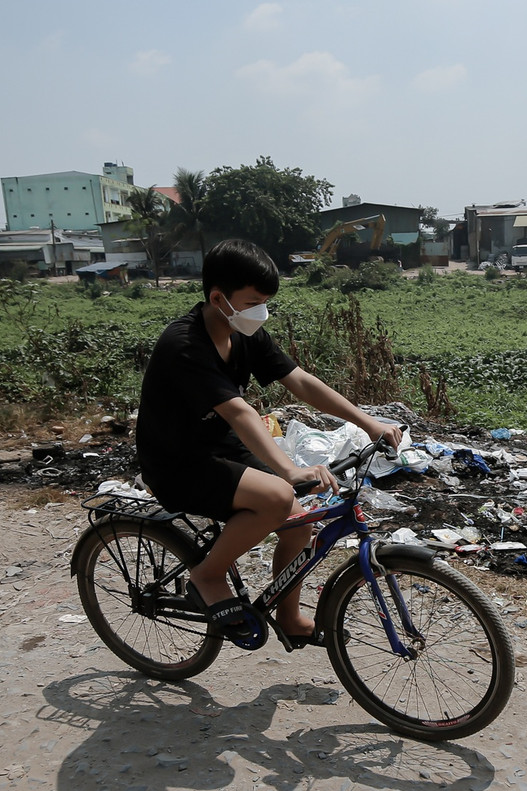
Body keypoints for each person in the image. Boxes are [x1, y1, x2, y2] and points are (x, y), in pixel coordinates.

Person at [134, 239, 402, 644]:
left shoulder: (244, 333)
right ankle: (207, 574)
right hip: (176, 462)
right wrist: (289, 470)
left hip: (218, 450)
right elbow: (240, 413)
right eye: (253, 301)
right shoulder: (185, 345)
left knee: (298, 520)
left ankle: (290, 619)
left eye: (266, 301)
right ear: (218, 297)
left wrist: (368, 423)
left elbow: (301, 382)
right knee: (278, 497)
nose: (261, 311)